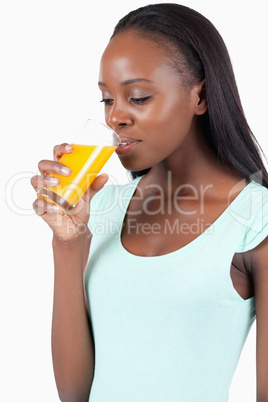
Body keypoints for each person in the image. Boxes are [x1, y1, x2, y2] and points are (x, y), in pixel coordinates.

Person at [31, 4, 268, 402]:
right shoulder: (100, 205)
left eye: (137, 97)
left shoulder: (254, 219)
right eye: (107, 100)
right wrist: (69, 243)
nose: (115, 118)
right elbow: (75, 394)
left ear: (201, 97)